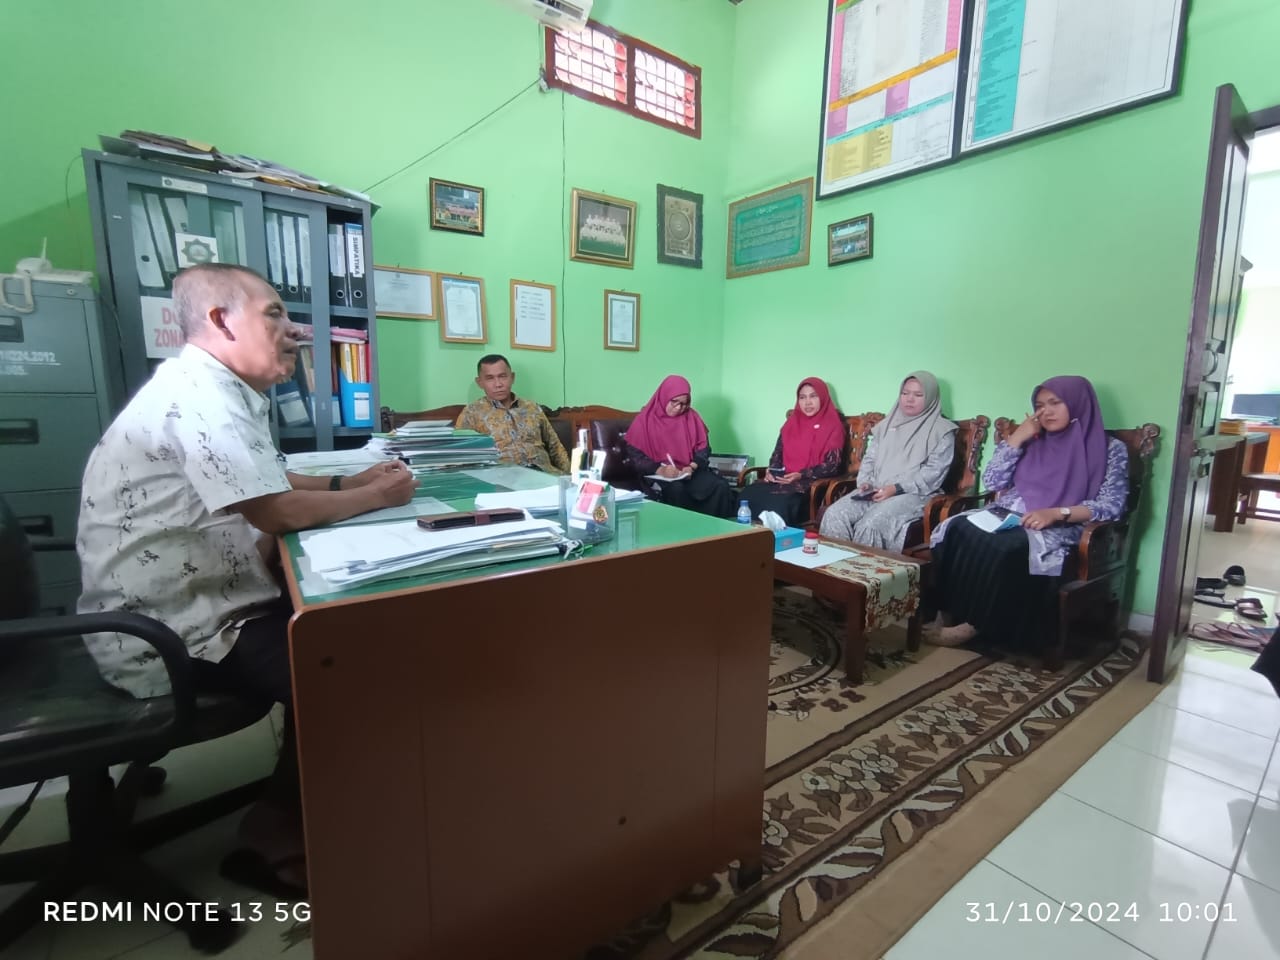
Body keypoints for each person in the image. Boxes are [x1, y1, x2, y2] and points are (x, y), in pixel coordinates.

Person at [77, 263, 418, 898]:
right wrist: (376, 497)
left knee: (335, 629)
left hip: (185, 604)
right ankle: (274, 841)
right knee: (349, 671)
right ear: (220, 320)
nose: (296, 331)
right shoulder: (201, 397)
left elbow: (270, 476)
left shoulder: (213, 387)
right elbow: (277, 511)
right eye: (274, 314)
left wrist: (352, 483)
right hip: (168, 632)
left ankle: (303, 802)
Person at [926, 375, 1129, 650]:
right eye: (1040, 405)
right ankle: (948, 612)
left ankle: (975, 624)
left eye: (1055, 403)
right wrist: (1018, 437)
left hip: (1061, 524)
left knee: (1004, 548)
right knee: (956, 528)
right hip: (1010, 512)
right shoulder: (1033, 439)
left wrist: (1056, 513)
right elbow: (993, 481)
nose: (1046, 412)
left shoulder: (1109, 450)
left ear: (1078, 403)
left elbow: (1112, 506)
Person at [820, 371, 957, 551]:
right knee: (834, 514)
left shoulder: (942, 431)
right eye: (905, 393)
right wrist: (865, 483)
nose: (909, 399)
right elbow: (870, 459)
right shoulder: (887, 425)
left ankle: (864, 569)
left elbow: (932, 475)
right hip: (875, 489)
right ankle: (835, 567)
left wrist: (895, 488)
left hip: (913, 494)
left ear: (931, 397)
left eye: (918, 395)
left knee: (871, 525)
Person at [739, 377, 846, 527]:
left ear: (823, 397)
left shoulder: (833, 426)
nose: (807, 402)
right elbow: (777, 454)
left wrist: (801, 475)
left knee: (780, 503)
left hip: (809, 484)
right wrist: (772, 472)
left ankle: (778, 540)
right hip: (782, 479)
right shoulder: (791, 423)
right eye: (802, 397)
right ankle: (744, 538)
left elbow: (832, 465)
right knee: (747, 495)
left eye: (813, 396)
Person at [624, 374, 735, 518]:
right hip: (659, 474)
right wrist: (661, 470)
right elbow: (636, 457)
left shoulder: (692, 417)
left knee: (720, 485)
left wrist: (692, 466)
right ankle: (685, 531)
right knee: (676, 489)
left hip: (688, 472)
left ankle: (717, 530)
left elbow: (704, 449)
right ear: (664, 397)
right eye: (674, 402)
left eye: (684, 404)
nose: (679, 408)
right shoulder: (644, 420)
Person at [456, 354, 570, 474]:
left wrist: (571, 478)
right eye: (490, 378)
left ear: (512, 377)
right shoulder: (472, 413)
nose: (498, 384)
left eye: (502, 376)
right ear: (480, 382)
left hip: (545, 474)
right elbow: (460, 455)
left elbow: (555, 447)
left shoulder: (532, 408)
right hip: (501, 478)